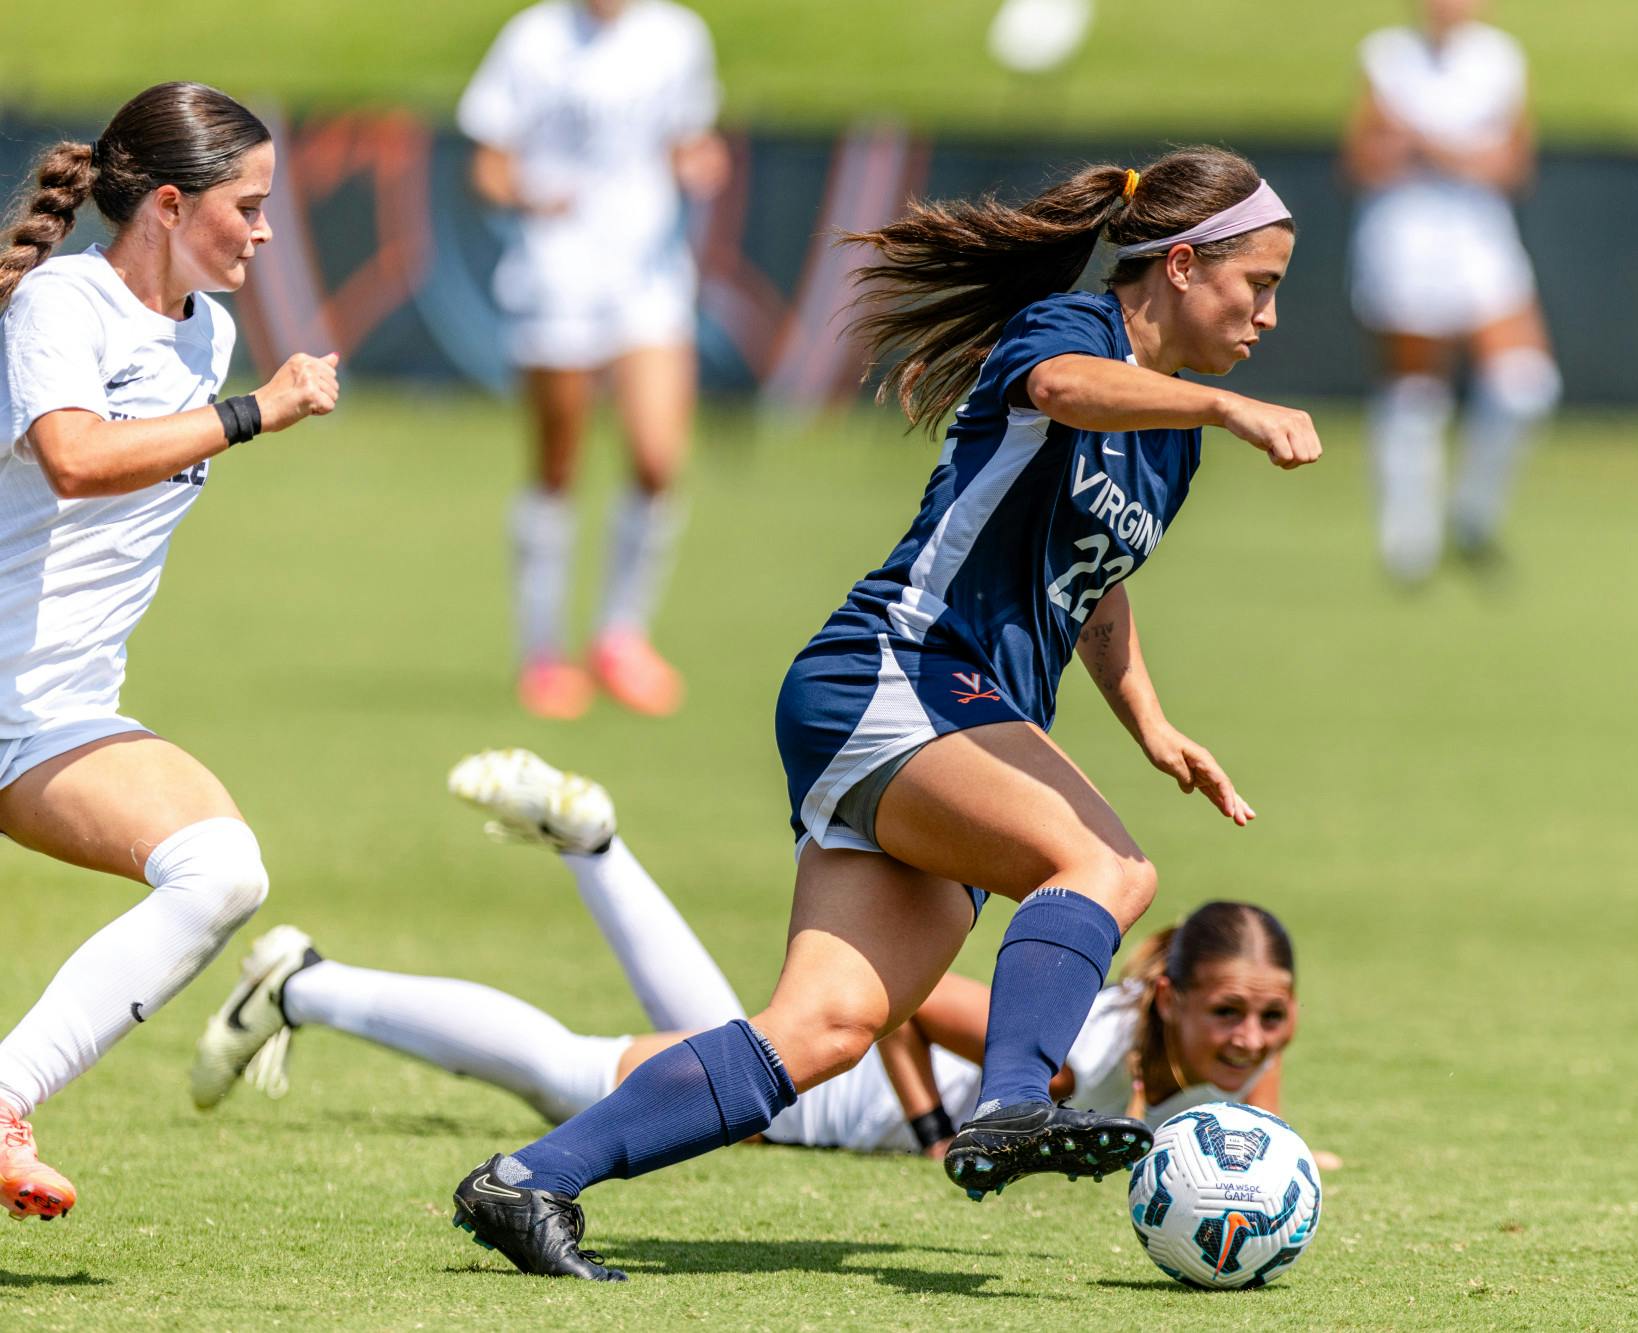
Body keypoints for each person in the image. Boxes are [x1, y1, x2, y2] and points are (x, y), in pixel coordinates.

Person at [438, 143, 1320, 1281]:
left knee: (822, 1030)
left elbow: (1093, 578)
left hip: (945, 717)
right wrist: (1227, 404)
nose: (1268, 316)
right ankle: (1011, 1103)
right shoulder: (1071, 332)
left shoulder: (1169, 439)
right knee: (1105, 866)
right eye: (1260, 285)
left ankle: (528, 1181)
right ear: (1184, 264)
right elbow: (1055, 396)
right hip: (893, 671)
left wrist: (1149, 721)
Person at [192, 751, 1335, 1177]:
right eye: (1230, 1013)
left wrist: (1286, 1156)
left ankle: (594, 846)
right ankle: (301, 982)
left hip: (809, 1079)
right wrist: (930, 1123)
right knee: (567, 1075)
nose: (1246, 1043)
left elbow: (1244, 1098)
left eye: (1269, 1020)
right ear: (1168, 992)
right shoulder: (1074, 1028)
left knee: (641, 1037)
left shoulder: (1219, 1051)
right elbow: (906, 994)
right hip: (815, 1097)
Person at [0, 82, 341, 1221]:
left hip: (58, 709)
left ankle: (5, 1095)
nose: (263, 230)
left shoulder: (212, 328)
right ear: (163, 204)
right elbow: (76, 461)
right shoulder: (63, 302)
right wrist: (257, 413)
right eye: (246, 206)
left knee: (223, 869)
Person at [458, 0, 731, 720]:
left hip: (648, 280)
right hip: (554, 278)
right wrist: (530, 196)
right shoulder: (533, 37)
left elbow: (683, 141)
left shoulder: (678, 35)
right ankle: (544, 653)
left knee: (656, 459)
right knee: (557, 466)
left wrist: (699, 162)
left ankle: (620, 637)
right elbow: (487, 165)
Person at [1344, 0, 1561, 583]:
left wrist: (1426, 143)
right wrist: (1458, 151)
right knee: (1416, 391)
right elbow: (1363, 159)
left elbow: (1514, 162)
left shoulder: (1501, 58)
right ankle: (1407, 541)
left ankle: (1472, 515)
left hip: (1478, 237)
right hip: (1405, 237)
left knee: (1524, 386)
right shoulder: (1386, 55)